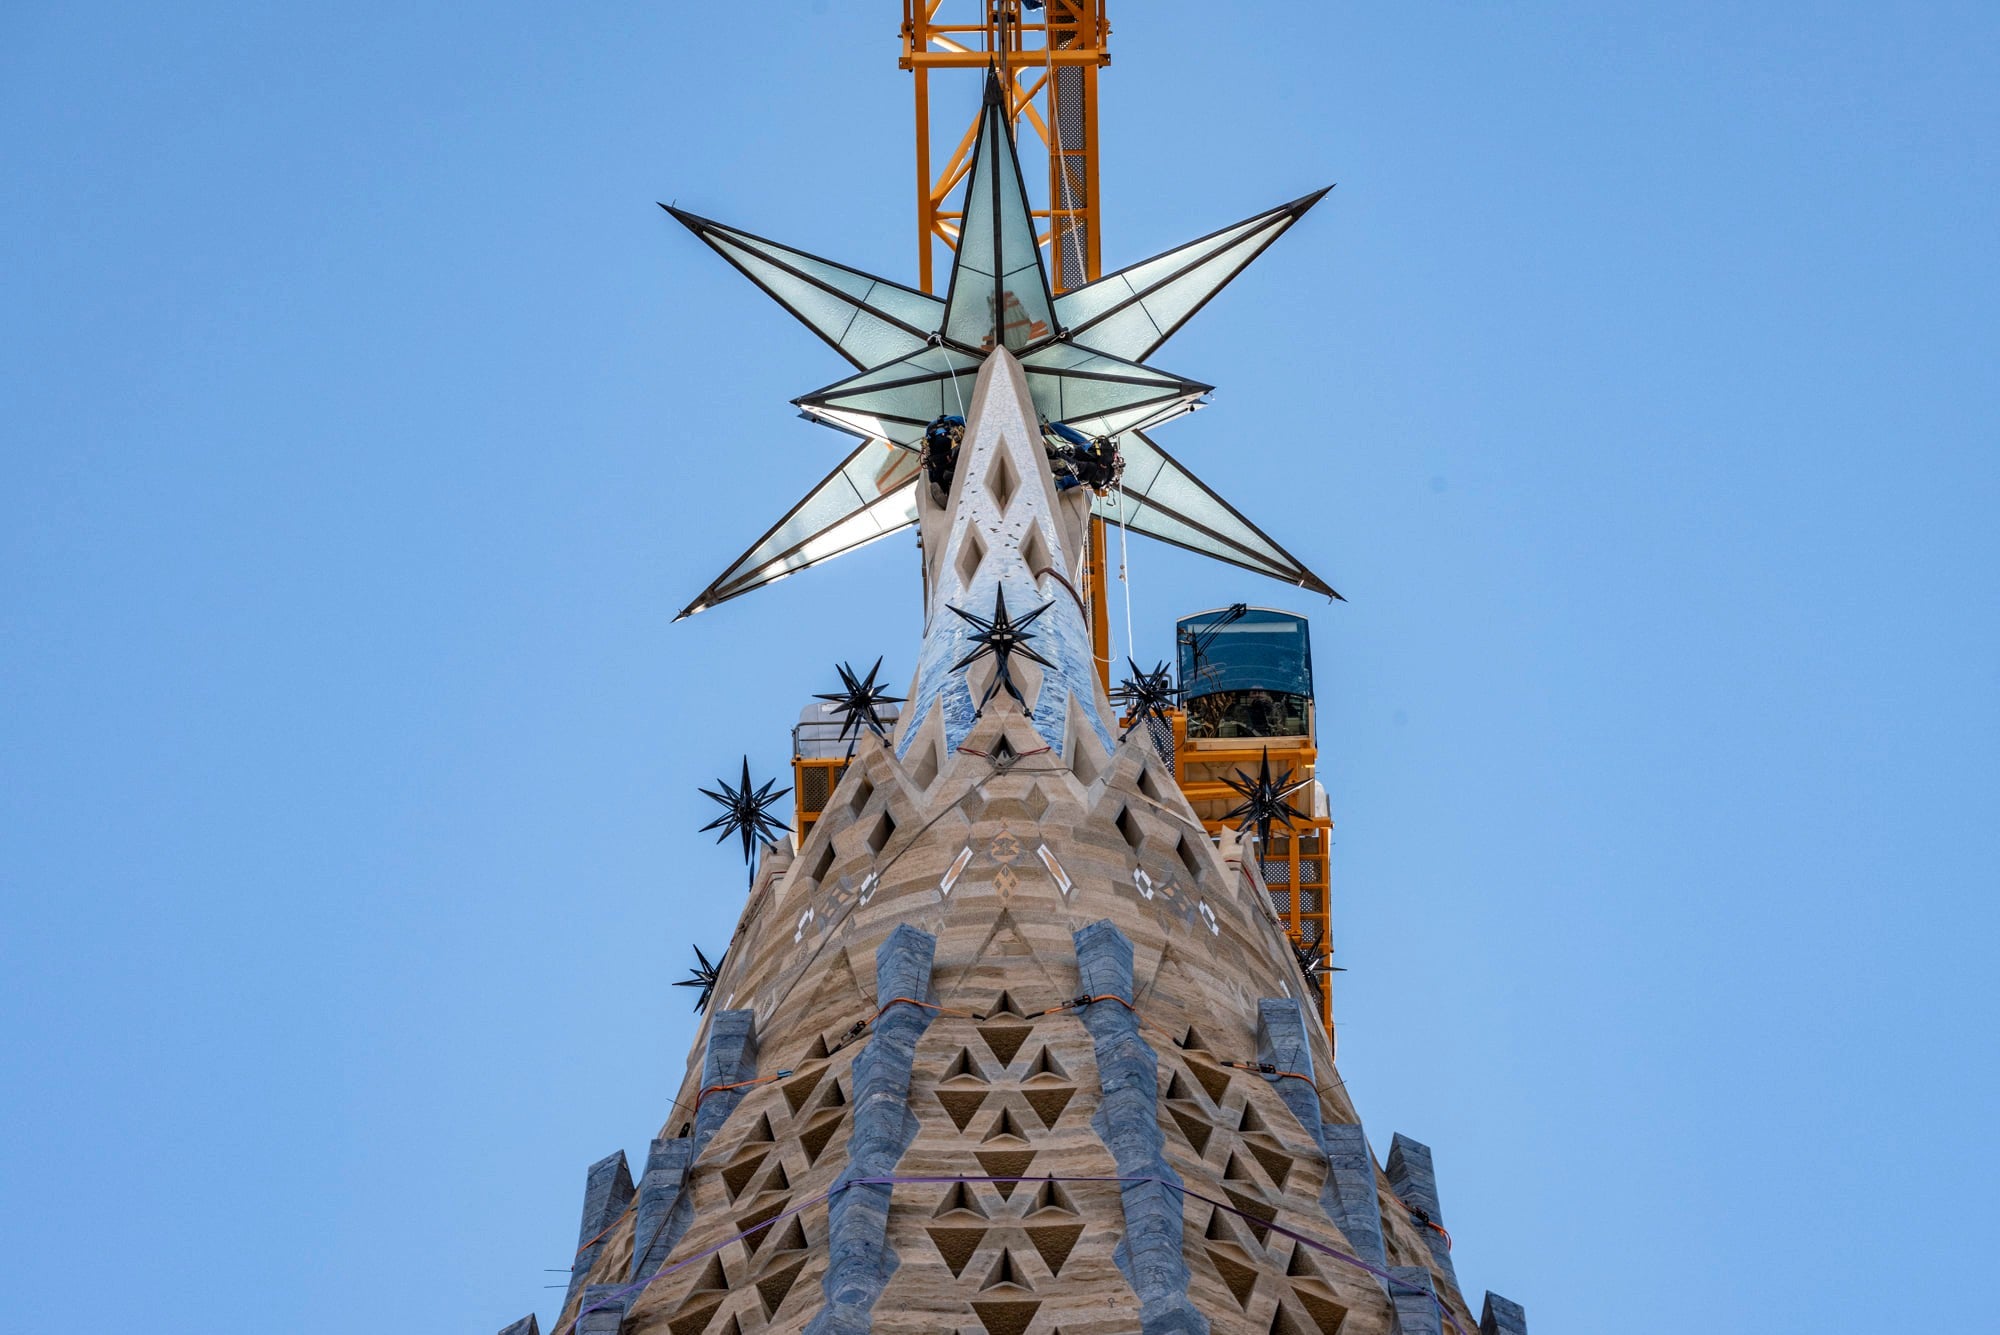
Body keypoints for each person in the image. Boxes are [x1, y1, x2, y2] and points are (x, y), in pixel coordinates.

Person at [921, 415, 964, 498]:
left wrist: (931, 477)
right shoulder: (955, 418)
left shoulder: (930, 427)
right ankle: (951, 471)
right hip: (951, 444)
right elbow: (967, 425)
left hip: (937, 454)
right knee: (955, 457)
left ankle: (942, 488)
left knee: (936, 472)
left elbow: (927, 452)